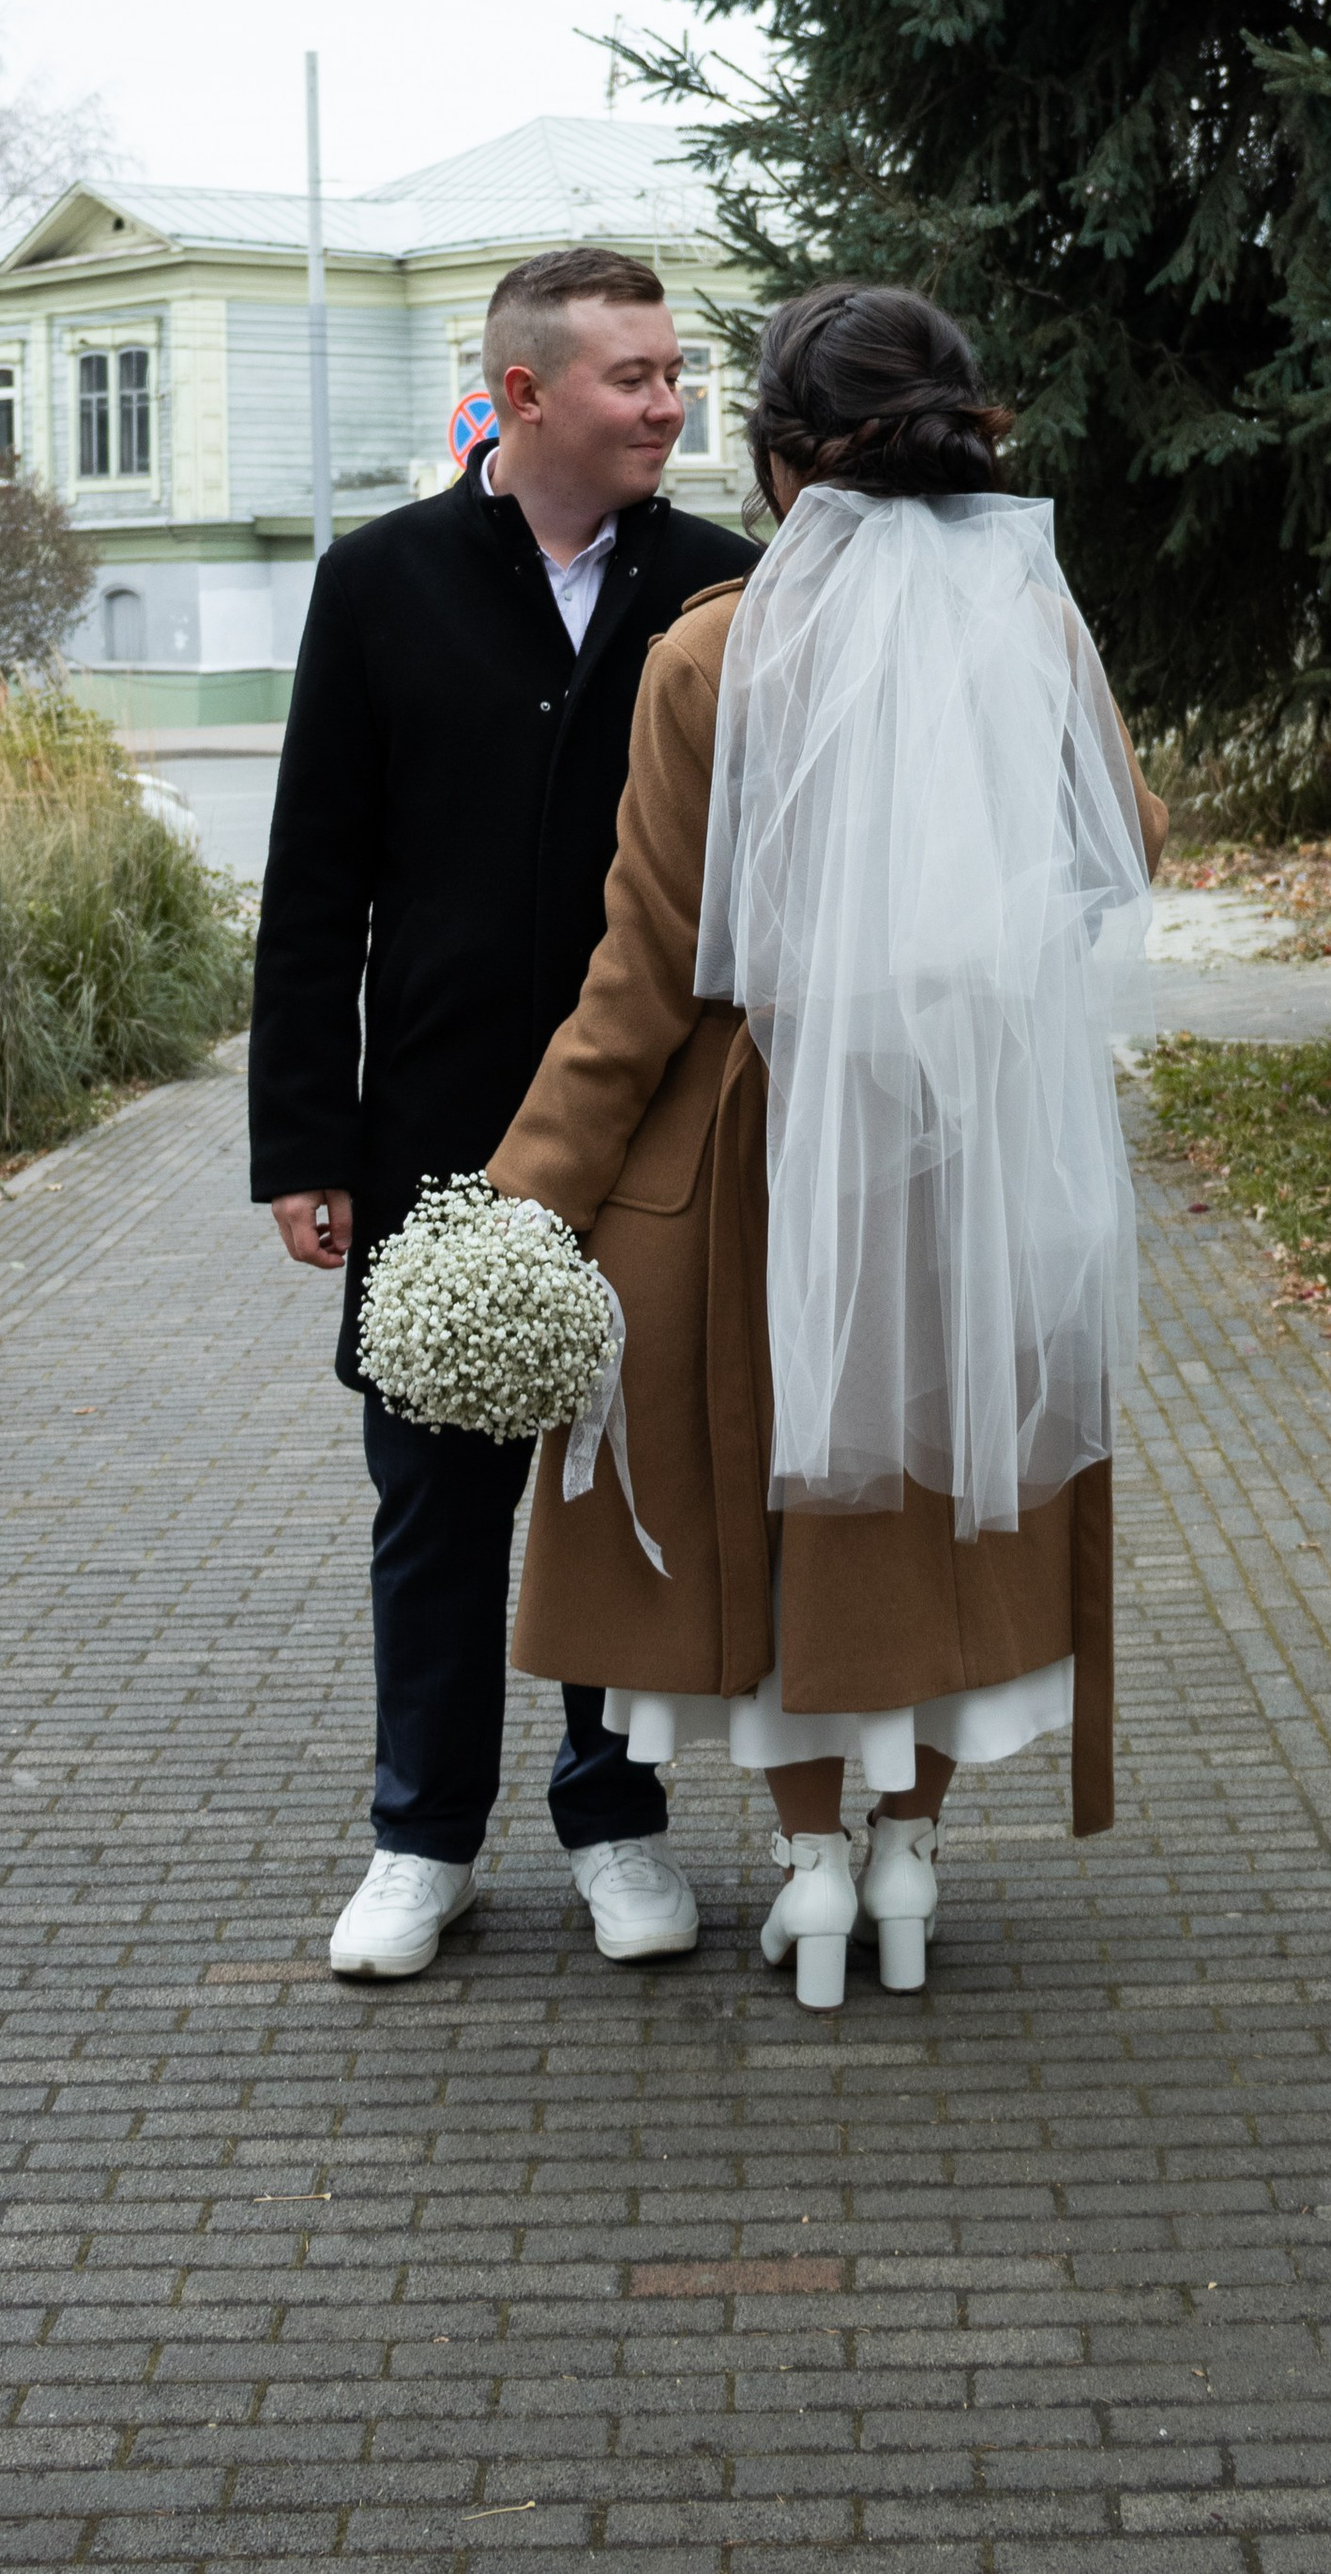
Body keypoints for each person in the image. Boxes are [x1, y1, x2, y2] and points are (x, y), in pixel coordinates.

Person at [489, 282, 1169, 2007]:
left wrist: (519, 1201)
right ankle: (911, 1853)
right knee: (934, 1498)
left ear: (786, 460)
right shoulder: (1032, 624)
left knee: (781, 1505)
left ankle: (809, 1868)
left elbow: (641, 973)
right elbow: (1128, 842)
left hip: (762, 1161)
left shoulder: (714, 651)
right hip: (960, 1147)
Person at [249, 244, 756, 1979]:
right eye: (636, 375)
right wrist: (304, 1138)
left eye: (676, 371)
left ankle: (616, 1820)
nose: (670, 403)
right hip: (438, 1127)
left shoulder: (723, 583)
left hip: (661, 1126)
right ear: (527, 392)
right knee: (436, 1499)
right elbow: (314, 882)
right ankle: (423, 1839)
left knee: (626, 1481)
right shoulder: (378, 580)